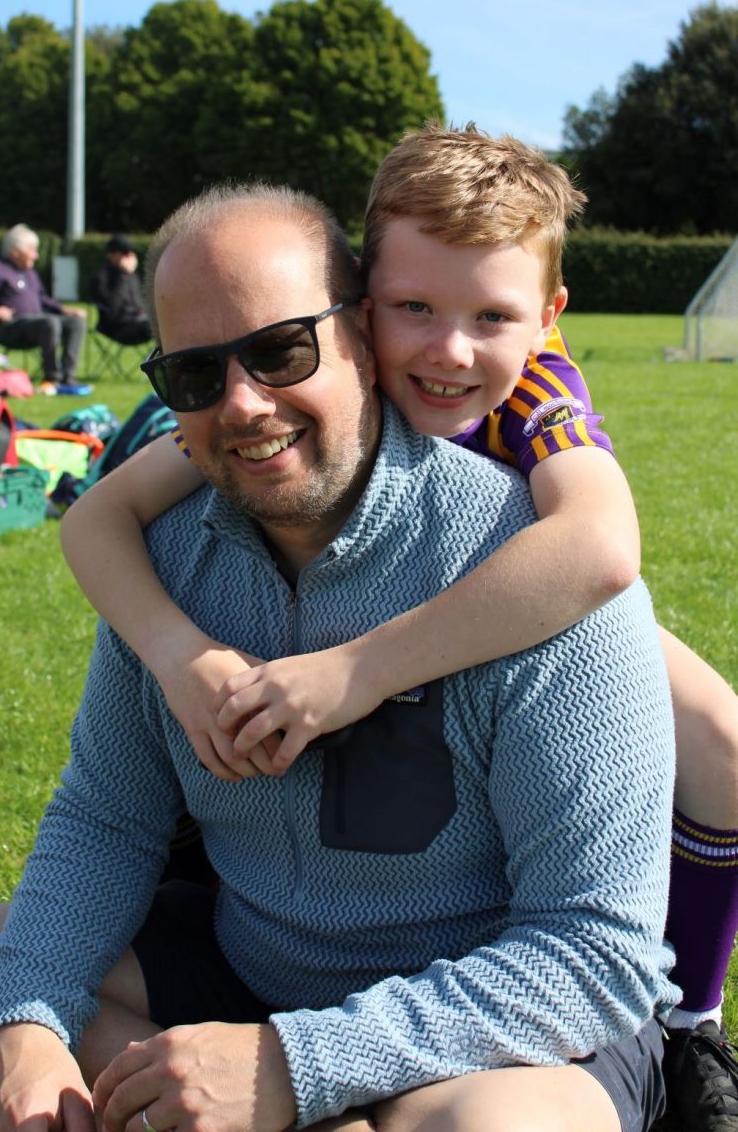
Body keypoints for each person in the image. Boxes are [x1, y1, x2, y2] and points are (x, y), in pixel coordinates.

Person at [0, 184, 677, 1132]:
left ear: (361, 338)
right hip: (248, 973)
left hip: (484, 1026)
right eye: (195, 376)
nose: (244, 406)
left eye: (279, 350)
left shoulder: (536, 574)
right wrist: (27, 1027)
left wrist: (301, 1065)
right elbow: (107, 818)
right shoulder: (167, 558)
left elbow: (597, 952)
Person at [59, 126, 738, 1132]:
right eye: (412, 306)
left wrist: (359, 669)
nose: (447, 348)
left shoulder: (541, 398)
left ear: (547, 320)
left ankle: (689, 1018)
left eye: (491, 316)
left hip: (522, 587)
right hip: (307, 855)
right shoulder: (271, 401)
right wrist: (178, 651)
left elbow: (594, 548)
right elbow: (98, 515)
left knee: (719, 739)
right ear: (361, 299)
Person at [0, 224, 87, 394]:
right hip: (9, 327)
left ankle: (68, 377)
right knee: (49, 322)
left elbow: (42, 299)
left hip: (37, 324)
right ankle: (52, 378)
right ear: (15, 251)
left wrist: (64, 310)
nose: (36, 255)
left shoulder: (29, 273)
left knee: (76, 323)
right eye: (32, 250)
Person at [90, 233, 152, 346]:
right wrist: (124, 275)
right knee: (157, 326)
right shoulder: (101, 277)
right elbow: (112, 309)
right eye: (124, 253)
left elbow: (139, 304)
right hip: (116, 327)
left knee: (163, 322)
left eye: (130, 253)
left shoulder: (131, 276)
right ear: (111, 254)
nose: (128, 257)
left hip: (138, 320)